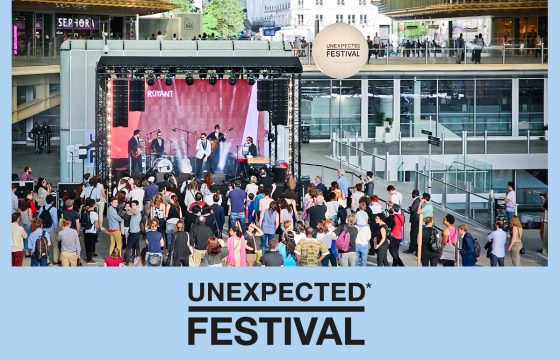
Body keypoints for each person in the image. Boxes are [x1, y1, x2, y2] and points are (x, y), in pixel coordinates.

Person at [38, 195, 58, 264]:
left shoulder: (41, 208)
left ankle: (47, 260)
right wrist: (56, 228)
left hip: (43, 230)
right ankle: (55, 260)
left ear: (46, 200)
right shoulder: (54, 209)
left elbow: (39, 219)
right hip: (51, 229)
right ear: (52, 201)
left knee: (45, 245)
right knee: (55, 245)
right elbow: (55, 220)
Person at [125, 200, 142, 265]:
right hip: (135, 231)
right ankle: (136, 260)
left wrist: (129, 208)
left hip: (134, 232)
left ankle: (127, 261)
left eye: (134, 205)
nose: (132, 207)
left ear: (137, 206)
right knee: (136, 246)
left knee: (128, 247)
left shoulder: (137, 211)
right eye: (132, 205)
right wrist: (127, 209)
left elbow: (133, 212)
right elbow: (128, 214)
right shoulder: (134, 211)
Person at [405, 189, 421, 254]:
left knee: (413, 235)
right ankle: (414, 248)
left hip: (415, 220)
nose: (411, 195)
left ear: (414, 194)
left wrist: (410, 208)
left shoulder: (417, 200)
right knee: (414, 235)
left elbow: (413, 209)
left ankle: (411, 249)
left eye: (412, 193)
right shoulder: (417, 200)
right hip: (415, 220)